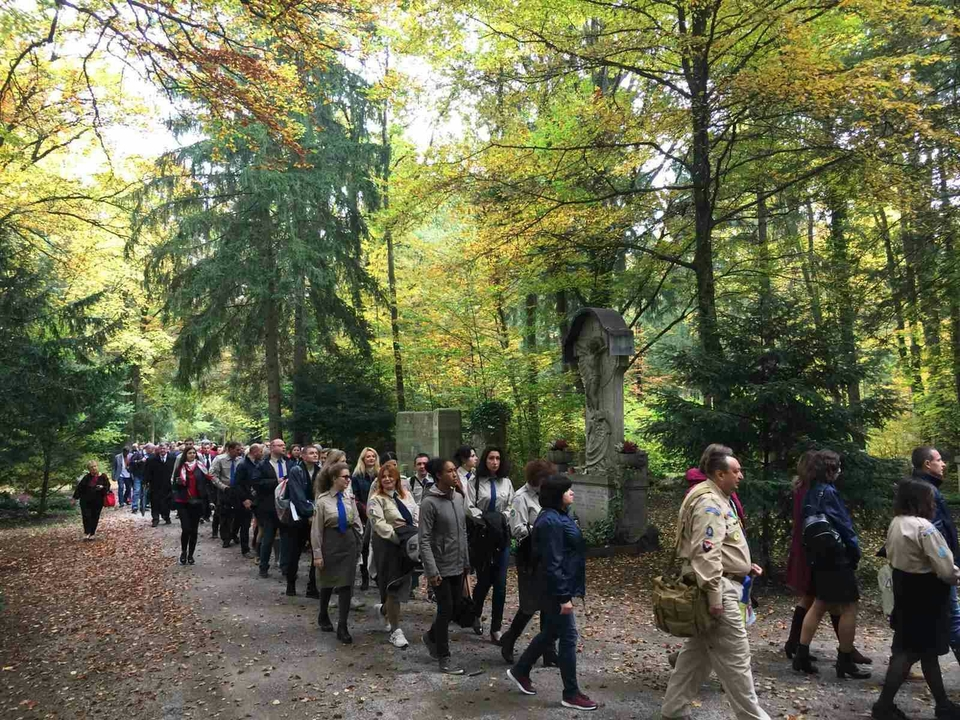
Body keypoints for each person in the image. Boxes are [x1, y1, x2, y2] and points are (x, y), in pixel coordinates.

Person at [660, 447, 769, 720]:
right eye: (736, 471)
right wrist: (714, 597)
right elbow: (705, 553)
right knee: (737, 660)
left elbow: (721, 545)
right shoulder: (710, 503)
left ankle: (673, 712)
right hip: (718, 590)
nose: (740, 476)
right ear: (720, 474)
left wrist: (744, 565)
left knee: (695, 657)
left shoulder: (717, 497)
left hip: (723, 584)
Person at [505, 474, 596, 711]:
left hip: (557, 587)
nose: (572, 493)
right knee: (567, 637)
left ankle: (521, 669)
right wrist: (564, 597)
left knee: (550, 632)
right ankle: (571, 693)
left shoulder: (558, 516)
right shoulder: (551, 522)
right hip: (555, 591)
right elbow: (552, 563)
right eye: (568, 491)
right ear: (558, 495)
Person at [872, 479, 960, 720]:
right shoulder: (925, 528)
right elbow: (946, 567)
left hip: (905, 592)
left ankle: (943, 705)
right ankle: (883, 705)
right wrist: (955, 576)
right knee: (910, 652)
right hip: (928, 597)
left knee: (924, 651)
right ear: (921, 501)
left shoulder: (897, 523)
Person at [784, 451, 872, 668]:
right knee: (847, 605)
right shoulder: (827, 492)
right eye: (837, 467)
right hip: (834, 555)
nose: (840, 470)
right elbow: (843, 525)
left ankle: (801, 652)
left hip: (816, 553)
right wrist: (854, 552)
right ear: (829, 470)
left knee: (819, 601)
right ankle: (845, 655)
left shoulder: (810, 491)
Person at [500, 459, 558, 664]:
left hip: (548, 556)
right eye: (543, 479)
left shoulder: (546, 495)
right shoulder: (521, 498)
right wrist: (541, 528)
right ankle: (509, 639)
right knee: (530, 604)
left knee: (549, 605)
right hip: (529, 557)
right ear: (535, 478)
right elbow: (517, 530)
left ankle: (548, 651)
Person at [419, 457, 471, 675]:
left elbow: (463, 532)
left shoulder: (458, 498)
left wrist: (466, 561)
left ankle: (431, 637)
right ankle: (444, 656)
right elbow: (424, 539)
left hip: (458, 563)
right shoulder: (429, 503)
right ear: (438, 475)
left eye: (454, 471)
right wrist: (432, 571)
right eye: (449, 471)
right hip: (440, 566)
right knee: (445, 608)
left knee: (455, 607)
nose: (454, 474)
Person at [911, 446, 960, 666]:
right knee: (954, 620)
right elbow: (936, 533)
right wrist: (948, 563)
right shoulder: (927, 490)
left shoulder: (920, 487)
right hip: (935, 566)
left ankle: (899, 671)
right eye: (939, 460)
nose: (944, 464)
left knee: (917, 623)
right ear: (927, 464)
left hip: (926, 566)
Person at [467, 446, 515, 642]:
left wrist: (500, 518)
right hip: (483, 536)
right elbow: (469, 507)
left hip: (501, 536)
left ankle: (496, 628)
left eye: (497, 458)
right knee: (485, 580)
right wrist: (487, 520)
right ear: (484, 461)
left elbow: (512, 505)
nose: (494, 462)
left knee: (501, 584)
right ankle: (474, 614)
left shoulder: (507, 483)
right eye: (491, 458)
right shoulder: (475, 482)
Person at [369, 464, 419, 648]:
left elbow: (415, 513)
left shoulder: (405, 495)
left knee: (402, 585)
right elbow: (379, 524)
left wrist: (413, 533)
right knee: (393, 586)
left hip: (409, 544)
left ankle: (383, 610)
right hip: (389, 545)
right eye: (384, 477)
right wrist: (398, 537)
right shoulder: (376, 499)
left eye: (391, 476)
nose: (388, 479)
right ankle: (396, 631)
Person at [312, 461, 362, 644]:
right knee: (327, 582)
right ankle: (323, 613)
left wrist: (359, 544)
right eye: (345, 477)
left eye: (349, 476)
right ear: (334, 479)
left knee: (346, 585)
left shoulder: (349, 498)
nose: (348, 480)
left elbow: (356, 521)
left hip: (348, 543)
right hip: (330, 543)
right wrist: (317, 554)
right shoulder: (323, 500)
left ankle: (343, 625)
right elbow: (316, 530)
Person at [283, 445, 318, 598]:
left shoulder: (321, 471)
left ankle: (312, 586)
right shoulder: (296, 471)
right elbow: (297, 495)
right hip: (298, 517)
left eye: (317, 453)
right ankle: (291, 583)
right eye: (311, 453)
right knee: (294, 552)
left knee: (316, 552)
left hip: (316, 517)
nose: (315, 455)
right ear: (303, 456)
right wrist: (308, 512)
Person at [255, 438, 288, 578]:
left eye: (284, 445)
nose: (283, 447)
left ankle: (286, 567)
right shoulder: (263, 465)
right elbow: (256, 483)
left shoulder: (290, 463)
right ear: (273, 447)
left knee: (287, 538)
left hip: (286, 507)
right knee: (268, 537)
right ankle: (264, 566)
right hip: (269, 507)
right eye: (280, 445)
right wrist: (276, 482)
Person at [173, 447, 210, 565]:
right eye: (190, 453)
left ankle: (191, 554)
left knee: (194, 530)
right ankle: (183, 551)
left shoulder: (201, 467)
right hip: (183, 501)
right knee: (186, 529)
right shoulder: (180, 468)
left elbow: (207, 481)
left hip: (197, 501)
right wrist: (179, 483)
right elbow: (174, 484)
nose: (192, 455)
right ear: (185, 454)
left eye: (194, 453)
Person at [209, 442, 246, 552]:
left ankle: (233, 533)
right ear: (230, 449)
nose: (239, 452)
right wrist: (222, 487)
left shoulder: (241, 460)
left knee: (238, 514)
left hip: (237, 491)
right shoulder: (219, 459)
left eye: (240, 450)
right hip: (224, 490)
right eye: (237, 450)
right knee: (224, 515)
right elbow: (212, 475)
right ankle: (226, 537)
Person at [352, 447, 380, 591]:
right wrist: (364, 509)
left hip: (377, 515)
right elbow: (355, 496)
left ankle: (377, 576)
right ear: (363, 459)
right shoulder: (357, 476)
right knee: (364, 547)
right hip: (362, 514)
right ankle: (364, 578)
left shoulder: (380, 474)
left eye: (373, 456)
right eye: (368, 456)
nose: (371, 459)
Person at [233, 443, 263, 560]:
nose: (262, 454)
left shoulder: (257, 464)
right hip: (245, 499)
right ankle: (245, 549)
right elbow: (238, 484)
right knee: (245, 525)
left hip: (256, 498)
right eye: (260, 452)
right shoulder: (243, 465)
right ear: (254, 452)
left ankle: (256, 546)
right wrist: (245, 499)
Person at [73, 460, 110, 539]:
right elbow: (80, 488)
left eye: (95, 466)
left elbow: (107, 487)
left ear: (97, 467)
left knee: (95, 516)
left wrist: (102, 487)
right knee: (86, 516)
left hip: (98, 500)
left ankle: (92, 533)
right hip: (85, 501)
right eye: (91, 467)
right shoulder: (86, 477)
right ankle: (87, 532)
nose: (94, 468)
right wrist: (74, 498)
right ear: (89, 469)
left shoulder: (103, 476)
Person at [145, 443, 175, 527]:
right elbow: (147, 471)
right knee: (154, 502)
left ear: (168, 449)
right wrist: (145, 482)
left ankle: (166, 516)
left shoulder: (172, 458)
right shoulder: (152, 459)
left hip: (168, 485)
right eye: (161, 448)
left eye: (164, 448)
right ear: (158, 449)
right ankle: (155, 519)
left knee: (166, 502)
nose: (162, 450)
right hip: (155, 485)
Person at [129, 443, 150, 516]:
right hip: (138, 475)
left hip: (145, 477)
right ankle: (134, 507)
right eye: (151, 449)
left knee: (144, 492)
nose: (152, 450)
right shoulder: (138, 454)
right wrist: (140, 460)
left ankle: (142, 506)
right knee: (137, 491)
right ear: (147, 448)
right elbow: (131, 463)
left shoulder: (150, 455)